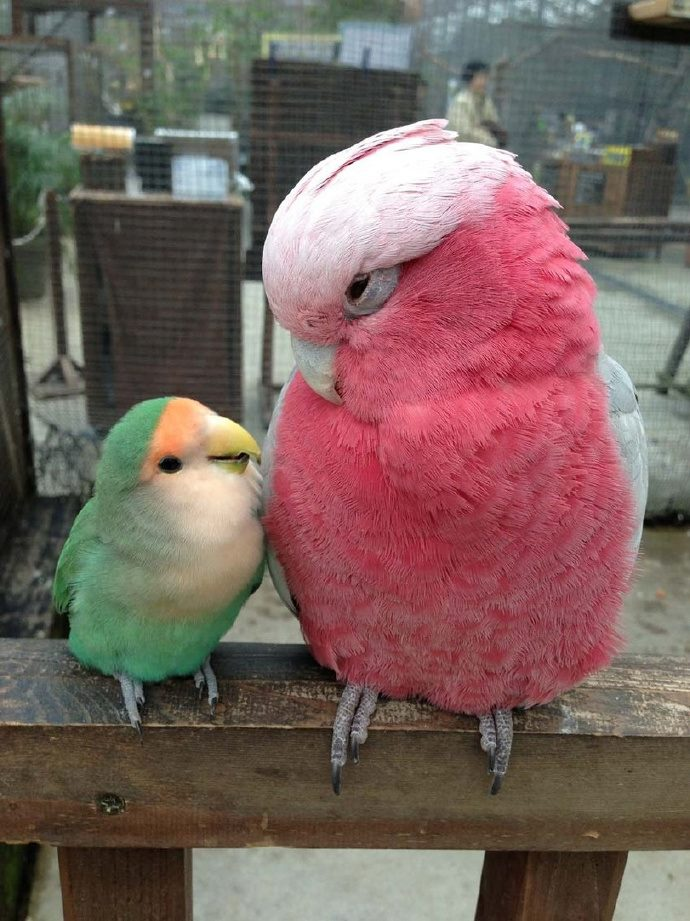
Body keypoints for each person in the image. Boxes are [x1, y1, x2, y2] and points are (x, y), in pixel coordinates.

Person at [446, 60, 507, 148]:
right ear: (470, 78)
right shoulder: (462, 101)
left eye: (486, 77)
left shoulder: (486, 100)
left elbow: (493, 122)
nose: (484, 81)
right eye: (480, 77)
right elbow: (462, 132)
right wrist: (489, 140)